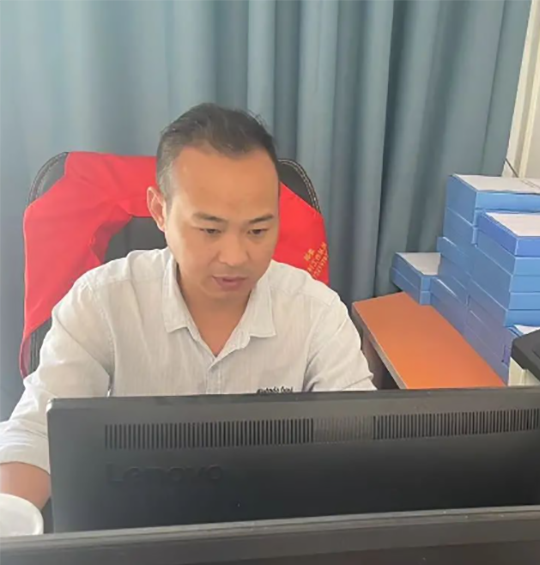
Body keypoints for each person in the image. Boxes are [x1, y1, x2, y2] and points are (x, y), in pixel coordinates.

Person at [0, 103, 374, 509]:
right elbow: (37, 434)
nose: (235, 257)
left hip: (271, 522)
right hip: (137, 522)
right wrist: (14, 518)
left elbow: (362, 441)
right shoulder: (101, 301)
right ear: (160, 211)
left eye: (258, 230)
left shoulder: (316, 311)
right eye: (210, 230)